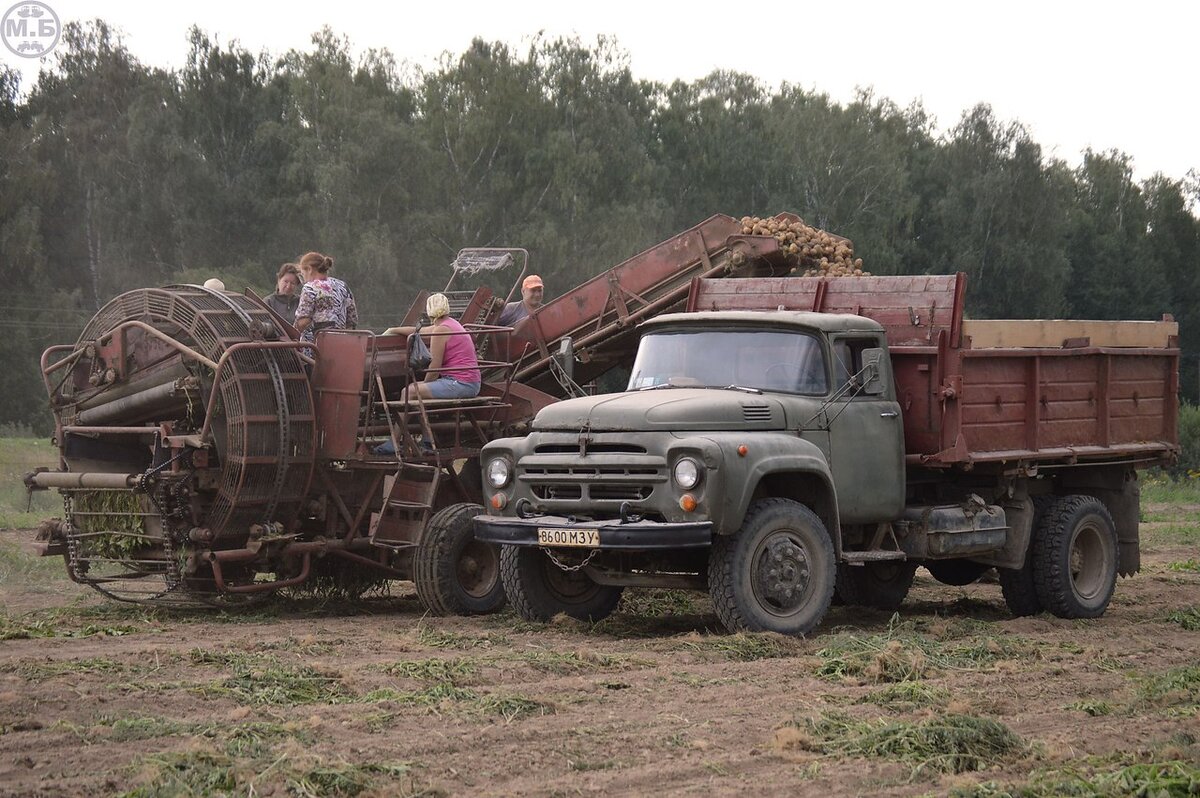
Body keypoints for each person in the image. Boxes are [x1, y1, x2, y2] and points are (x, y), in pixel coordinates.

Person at [386, 293, 481, 401]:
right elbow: (420, 331)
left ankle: (405, 418)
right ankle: (418, 418)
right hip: (468, 381)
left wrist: (424, 384)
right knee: (413, 387)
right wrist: (393, 330)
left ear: (428, 311)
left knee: (409, 392)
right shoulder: (450, 324)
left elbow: (434, 369)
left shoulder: (441, 330)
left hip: (462, 384)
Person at [294, 251, 358, 345]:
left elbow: (303, 321)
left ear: (309, 269)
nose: (304, 279)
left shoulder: (310, 288)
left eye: (303, 274)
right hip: (340, 345)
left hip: (315, 347)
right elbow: (352, 319)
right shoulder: (342, 286)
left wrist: (292, 333)